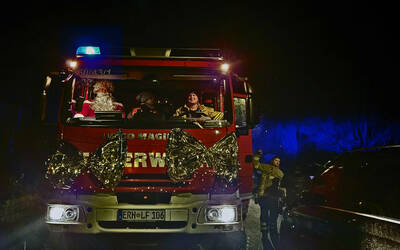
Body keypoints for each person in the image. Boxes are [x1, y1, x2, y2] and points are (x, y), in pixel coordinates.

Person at [253, 150, 286, 250]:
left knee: (273, 217)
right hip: (265, 196)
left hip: (274, 198)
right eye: (276, 160)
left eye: (279, 161)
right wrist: (257, 156)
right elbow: (256, 165)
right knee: (264, 216)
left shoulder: (281, 173)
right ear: (272, 161)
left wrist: (283, 197)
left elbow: (282, 186)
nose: (278, 162)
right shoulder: (266, 167)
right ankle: (264, 234)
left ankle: (273, 232)